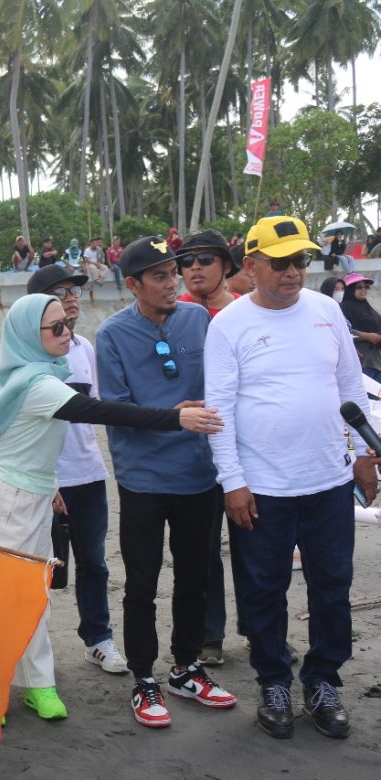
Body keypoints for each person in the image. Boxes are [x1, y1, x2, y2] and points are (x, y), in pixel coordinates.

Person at [0, 291, 222, 720]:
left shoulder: (30, 367)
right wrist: (174, 416)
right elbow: (101, 411)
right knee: (6, 592)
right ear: (27, 336)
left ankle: (30, 681)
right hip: (9, 497)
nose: (66, 333)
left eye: (67, 323)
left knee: (30, 590)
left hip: (32, 489)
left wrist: (49, 485)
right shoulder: (36, 382)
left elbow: (20, 439)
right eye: (54, 328)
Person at [205, 214, 373, 740]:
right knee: (262, 590)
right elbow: (220, 408)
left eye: (300, 260)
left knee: (332, 586)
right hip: (263, 488)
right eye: (280, 263)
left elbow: (351, 382)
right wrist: (232, 481)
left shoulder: (326, 311)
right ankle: (274, 680)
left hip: (328, 479)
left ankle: (322, 681)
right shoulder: (228, 324)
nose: (293, 272)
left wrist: (366, 451)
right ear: (251, 266)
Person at [96, 237, 237, 729]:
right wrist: (173, 416)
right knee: (142, 581)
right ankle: (143, 677)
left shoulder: (198, 318)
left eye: (173, 272)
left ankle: (186, 667)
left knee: (195, 577)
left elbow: (221, 384)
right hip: (144, 479)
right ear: (132, 284)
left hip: (199, 474)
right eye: (159, 276)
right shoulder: (112, 334)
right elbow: (115, 407)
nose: (173, 282)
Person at [25, 264, 127, 678]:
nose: (71, 298)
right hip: (41, 480)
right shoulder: (26, 353)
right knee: (38, 567)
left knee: (94, 562)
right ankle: (34, 647)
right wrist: (48, 480)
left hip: (87, 474)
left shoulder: (84, 347)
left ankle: (98, 640)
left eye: (75, 292)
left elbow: (98, 408)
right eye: (61, 291)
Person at [173, 229, 247, 668]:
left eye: (204, 259)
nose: (194, 268)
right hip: (193, 452)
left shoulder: (246, 312)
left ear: (226, 265)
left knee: (254, 545)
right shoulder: (171, 313)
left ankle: (259, 629)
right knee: (202, 551)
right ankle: (209, 636)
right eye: (187, 261)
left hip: (243, 448)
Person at [339, 272, 381, 383]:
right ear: (350, 289)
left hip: (376, 362)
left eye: (366, 287)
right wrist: (365, 336)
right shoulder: (342, 308)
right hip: (359, 363)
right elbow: (341, 330)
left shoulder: (369, 308)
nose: (364, 290)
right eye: (359, 287)